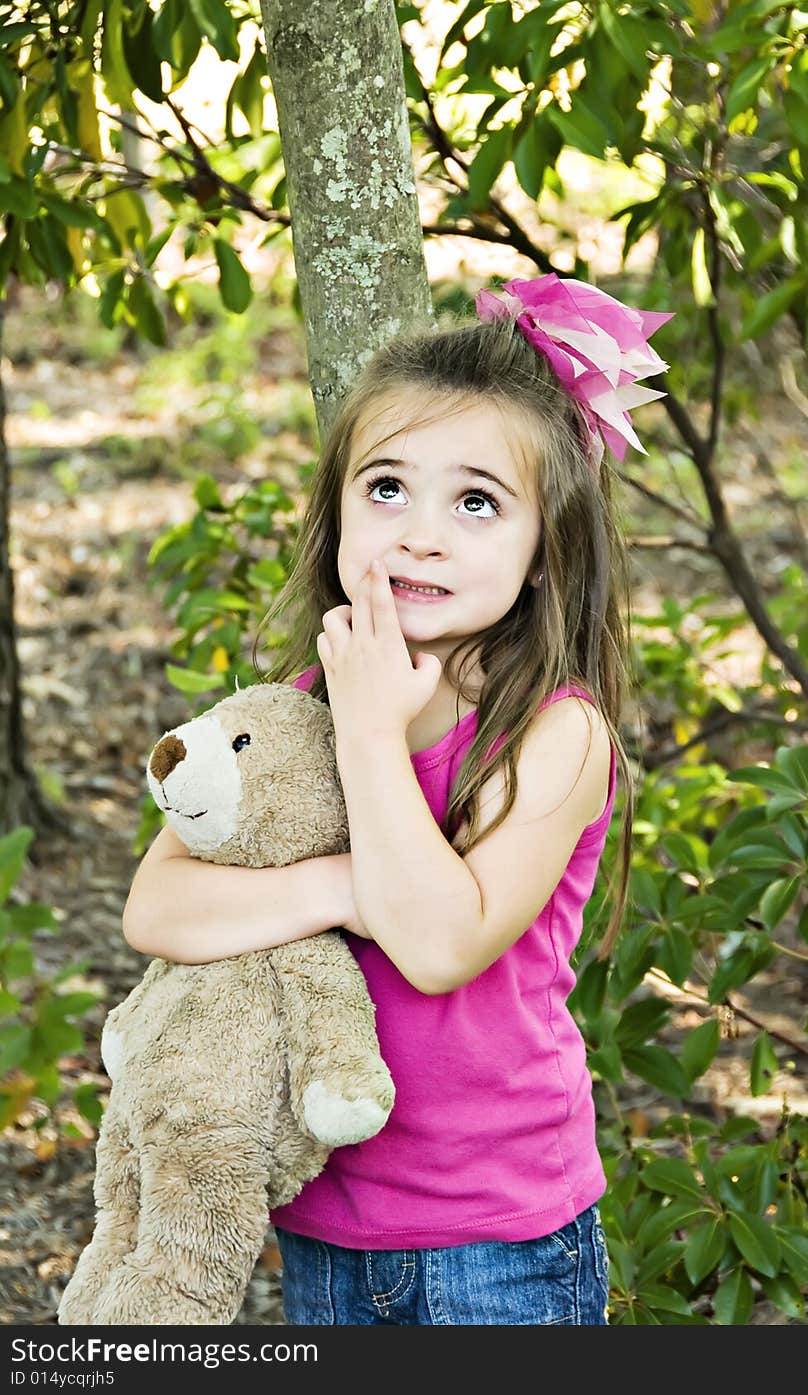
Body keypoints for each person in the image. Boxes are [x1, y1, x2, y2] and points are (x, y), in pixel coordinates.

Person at [122, 272, 671, 1326]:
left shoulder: (553, 736)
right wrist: (341, 883)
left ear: (546, 554)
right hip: (323, 1226)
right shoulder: (294, 708)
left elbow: (434, 944)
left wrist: (371, 732)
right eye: (385, 489)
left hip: (496, 1241)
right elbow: (160, 911)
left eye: (475, 501)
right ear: (333, 516)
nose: (419, 535)